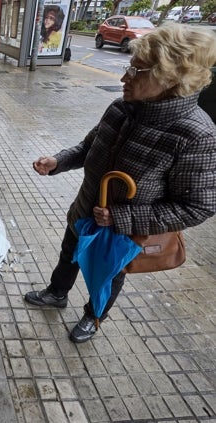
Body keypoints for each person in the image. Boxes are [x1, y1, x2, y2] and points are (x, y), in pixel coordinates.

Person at [25, 23, 216, 343]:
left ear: (169, 79)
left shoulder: (195, 134)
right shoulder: (121, 108)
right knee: (69, 253)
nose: (124, 77)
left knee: (107, 277)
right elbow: (88, 149)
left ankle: (94, 317)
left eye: (136, 70)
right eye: (129, 67)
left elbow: (198, 207)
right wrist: (58, 161)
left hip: (122, 232)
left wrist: (122, 218)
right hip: (86, 210)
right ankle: (57, 293)